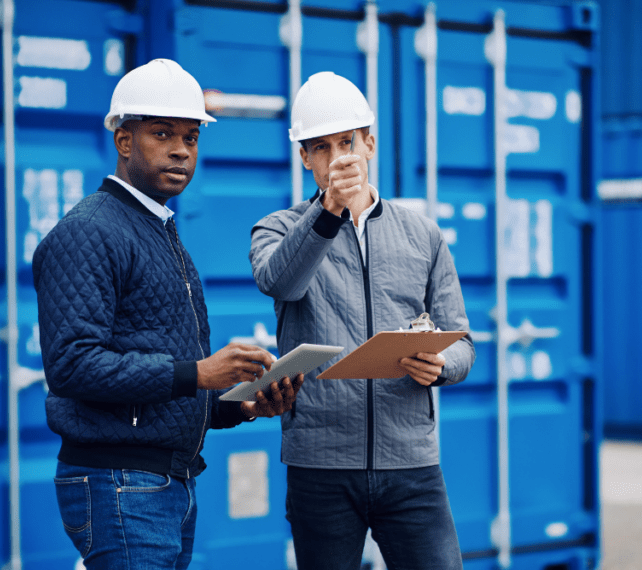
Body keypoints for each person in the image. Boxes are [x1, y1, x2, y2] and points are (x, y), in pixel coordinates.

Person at [33, 58, 304, 570]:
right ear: (125, 141)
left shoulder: (156, 230)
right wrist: (199, 373)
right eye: (163, 134)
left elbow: (170, 385)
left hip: (164, 483)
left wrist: (241, 406)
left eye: (192, 137)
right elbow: (70, 365)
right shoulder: (90, 233)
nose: (182, 149)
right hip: (120, 484)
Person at [249, 71, 475, 570]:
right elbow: (280, 283)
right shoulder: (278, 229)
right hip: (319, 464)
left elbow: (462, 341)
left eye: (346, 142)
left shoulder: (423, 235)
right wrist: (328, 211)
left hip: (412, 464)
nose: (336, 160)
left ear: (369, 143)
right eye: (320, 148)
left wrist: (441, 366)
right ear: (304, 157)